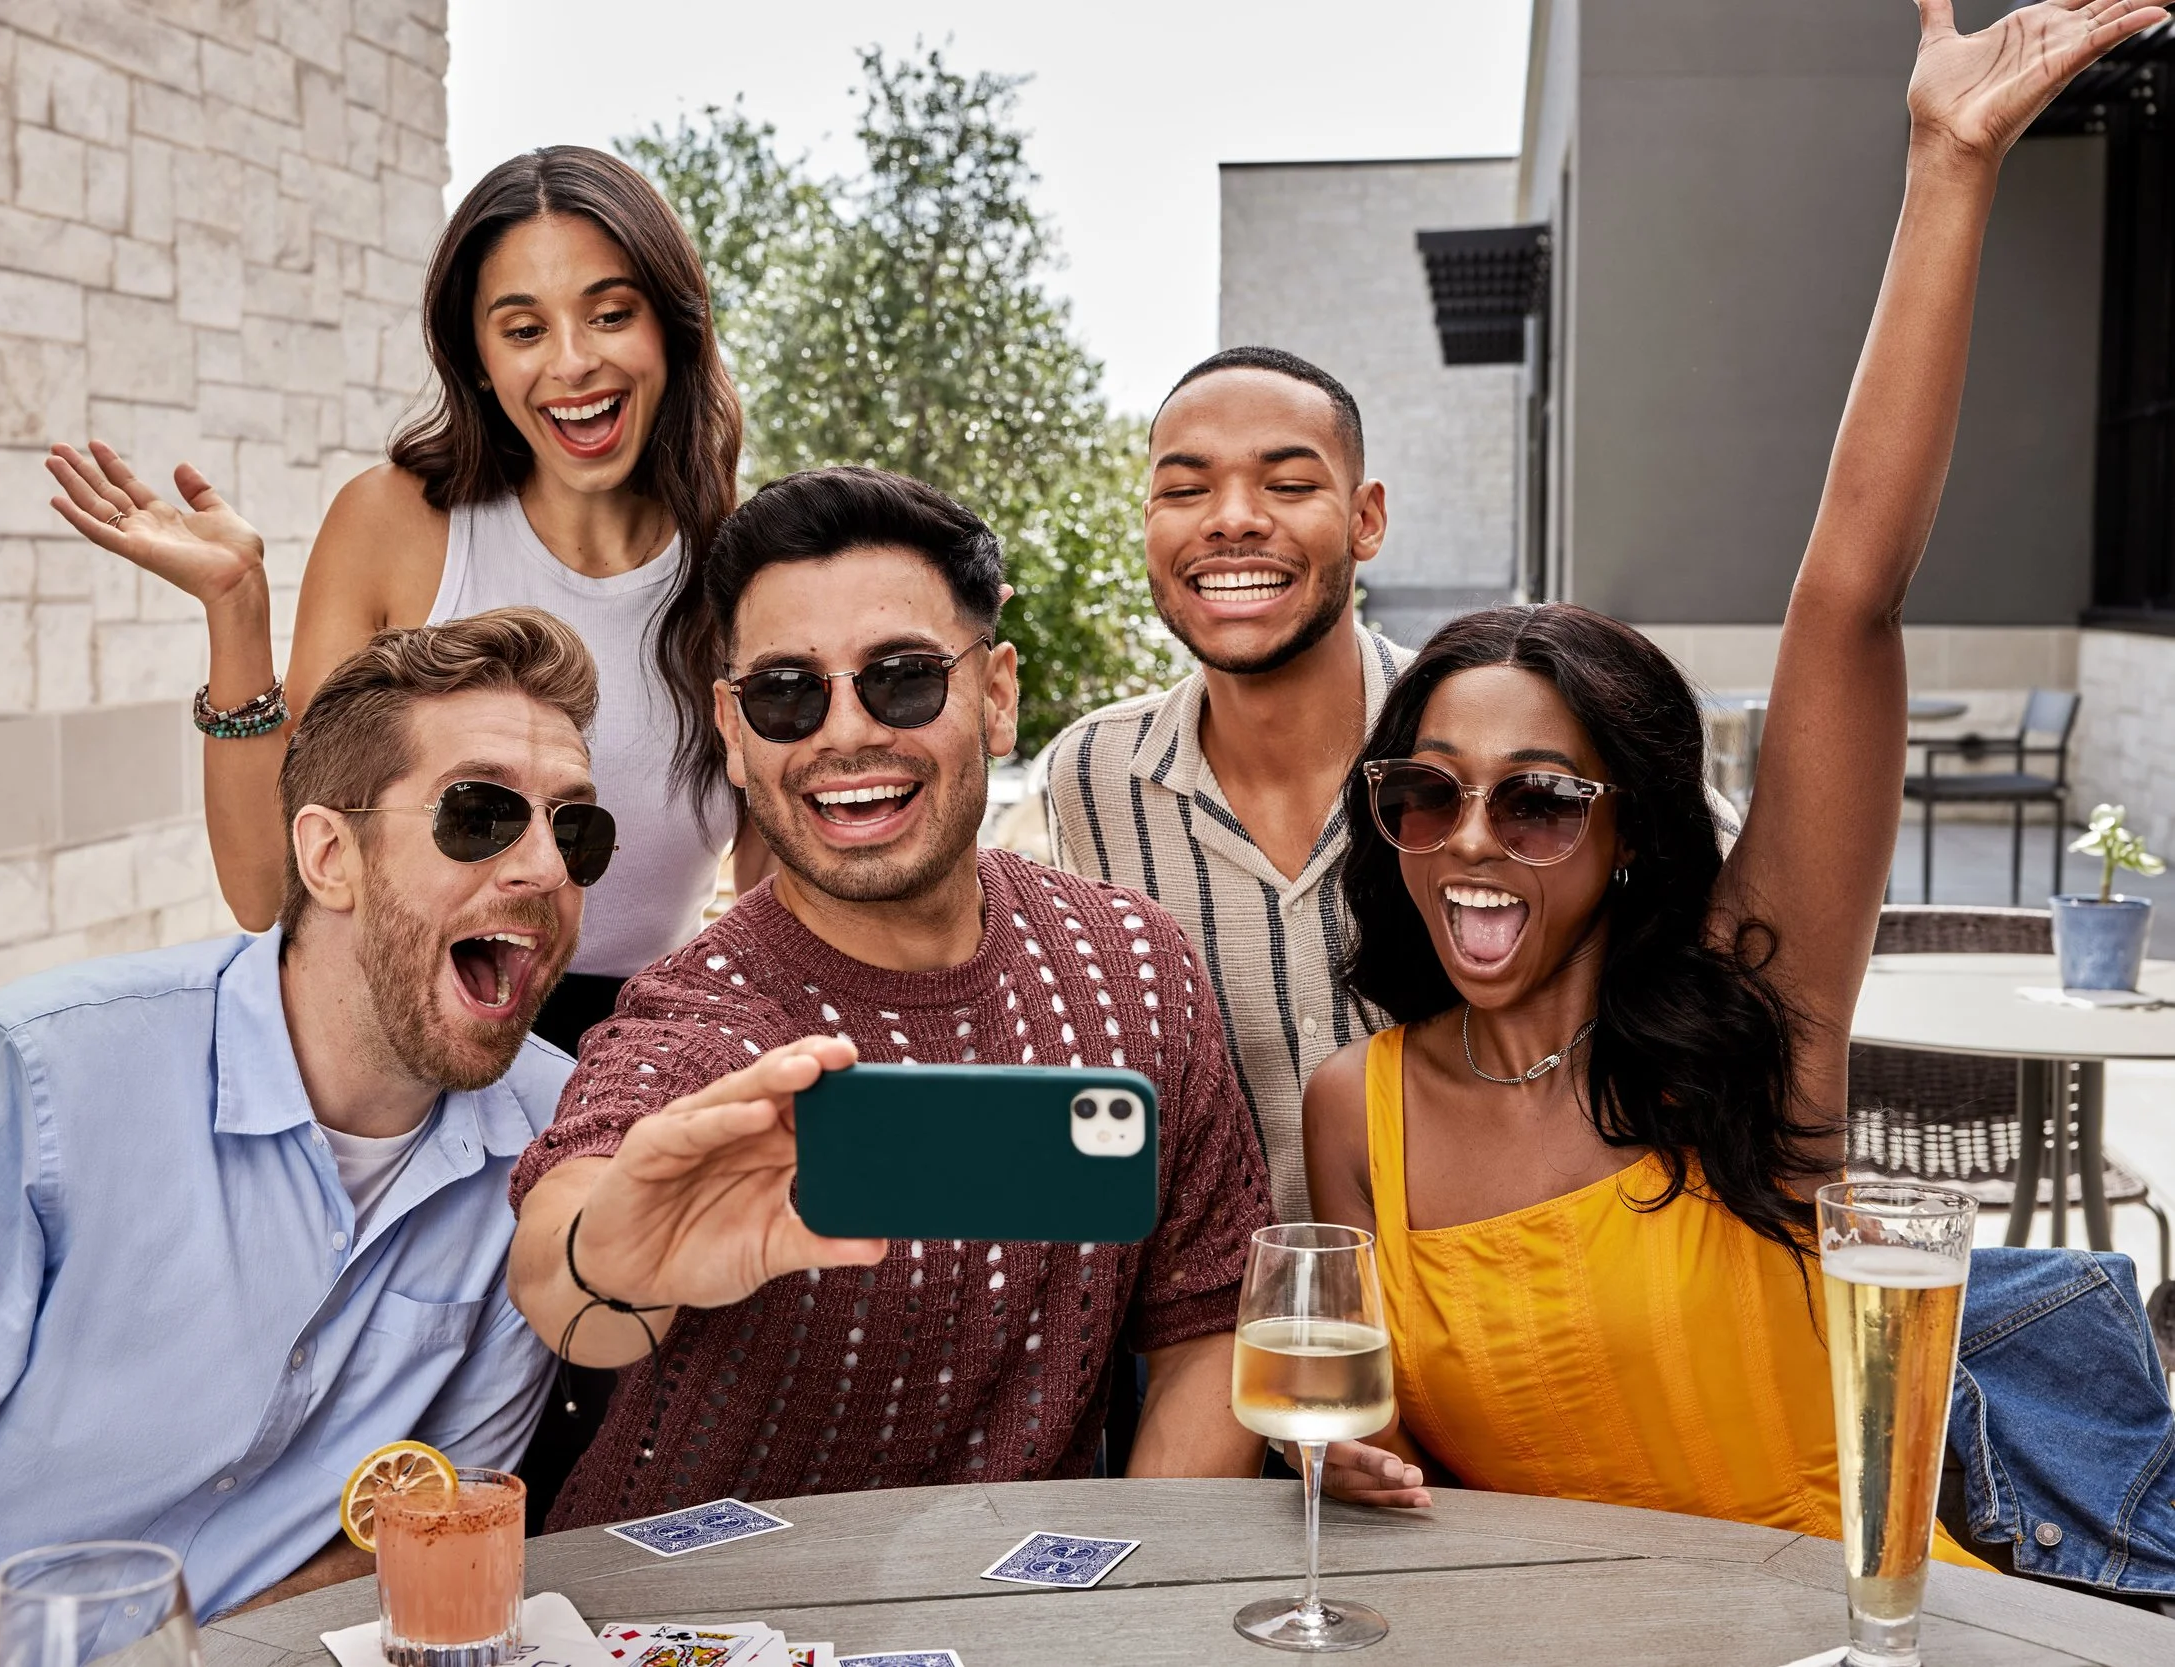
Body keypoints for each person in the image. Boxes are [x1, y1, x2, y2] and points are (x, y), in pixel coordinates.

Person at [1298, 0, 2158, 1550]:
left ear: (1625, 830)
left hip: (1849, 1628)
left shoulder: (1744, 1014)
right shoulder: (1349, 1111)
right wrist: (1344, 1451)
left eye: (1540, 795)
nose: (1472, 837)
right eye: (1427, 791)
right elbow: (1376, 1435)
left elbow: (1849, 603)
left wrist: (1947, 166)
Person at [502, 466, 1428, 1527]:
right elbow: (566, 1266)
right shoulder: (701, 1013)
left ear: (995, 695)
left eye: (899, 678)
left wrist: (1115, 1606)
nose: (843, 732)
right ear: (733, 728)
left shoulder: (1133, 960)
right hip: (694, 1610)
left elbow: (1206, 1324)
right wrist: (612, 1256)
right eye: (786, 691)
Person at [0, 610, 605, 1664]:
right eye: (479, 813)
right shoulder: (25, 1082)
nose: (545, 867)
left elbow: (431, 1525)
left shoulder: (552, 1138)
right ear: (330, 852)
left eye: (576, 830)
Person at [45, 145, 755, 1058]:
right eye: (524, 329)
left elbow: (776, 908)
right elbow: (271, 890)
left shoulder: (737, 570)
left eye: (611, 314)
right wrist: (235, 611)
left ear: (672, 326)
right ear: (480, 357)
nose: (573, 363)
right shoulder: (396, 524)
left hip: (636, 1065)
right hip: (409, 1047)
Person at [1041, 346, 1409, 1225]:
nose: (1232, 520)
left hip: (1498, 1315)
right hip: (1224, 1340)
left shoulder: (1491, 737)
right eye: (1185, 490)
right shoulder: (1090, 778)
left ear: (1365, 519)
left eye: (1286, 485)